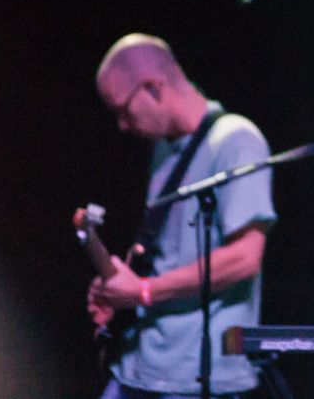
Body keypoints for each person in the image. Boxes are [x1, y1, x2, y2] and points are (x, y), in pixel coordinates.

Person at [87, 34, 276, 398]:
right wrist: (119, 287)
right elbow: (167, 252)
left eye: (123, 110)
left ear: (153, 87)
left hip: (197, 377)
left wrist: (143, 292)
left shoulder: (236, 140)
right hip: (140, 364)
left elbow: (245, 258)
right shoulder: (164, 146)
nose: (122, 125)